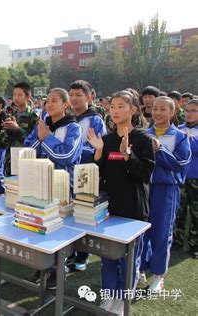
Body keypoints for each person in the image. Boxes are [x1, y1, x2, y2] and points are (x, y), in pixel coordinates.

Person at [87, 90, 156, 314]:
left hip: (134, 207)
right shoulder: (106, 140)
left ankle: (123, 300)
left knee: (129, 259)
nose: (115, 111)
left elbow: (145, 173)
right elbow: (98, 173)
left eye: (121, 106)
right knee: (108, 256)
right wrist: (98, 153)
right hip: (110, 206)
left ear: (133, 110)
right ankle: (109, 296)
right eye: (113, 106)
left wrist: (128, 156)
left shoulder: (143, 139)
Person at [140, 96, 191, 292]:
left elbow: (180, 164)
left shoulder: (179, 136)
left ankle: (158, 275)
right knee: (142, 230)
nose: (158, 113)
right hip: (145, 188)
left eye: (163, 109)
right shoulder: (145, 133)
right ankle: (141, 268)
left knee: (161, 232)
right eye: (154, 109)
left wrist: (160, 150)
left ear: (172, 112)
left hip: (166, 190)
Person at [68, 79, 106, 271]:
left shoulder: (95, 120)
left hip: (85, 172)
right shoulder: (65, 117)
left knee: (83, 212)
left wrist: (70, 150)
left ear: (89, 98)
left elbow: (97, 148)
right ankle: (67, 253)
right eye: (71, 95)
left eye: (79, 96)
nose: (73, 99)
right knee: (66, 212)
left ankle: (82, 255)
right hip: (65, 173)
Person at [24, 88, 82, 194]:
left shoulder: (73, 128)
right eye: (47, 101)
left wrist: (45, 138)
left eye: (54, 101)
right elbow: (26, 153)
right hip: (39, 183)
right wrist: (39, 139)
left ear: (65, 104)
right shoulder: (41, 126)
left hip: (63, 187)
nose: (49, 105)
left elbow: (66, 156)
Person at [175, 99, 198, 258]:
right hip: (180, 177)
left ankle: (195, 244)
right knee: (179, 211)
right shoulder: (179, 129)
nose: (189, 114)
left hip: (196, 177)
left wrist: (188, 140)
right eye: (187, 110)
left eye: (194, 111)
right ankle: (176, 240)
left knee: (196, 213)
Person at [2, 82, 39, 176]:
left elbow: (34, 142)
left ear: (27, 97)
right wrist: (6, 129)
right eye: (14, 95)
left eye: (19, 95)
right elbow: (4, 141)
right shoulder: (11, 115)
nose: (16, 98)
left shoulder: (34, 117)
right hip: (10, 160)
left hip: (26, 160)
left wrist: (17, 129)